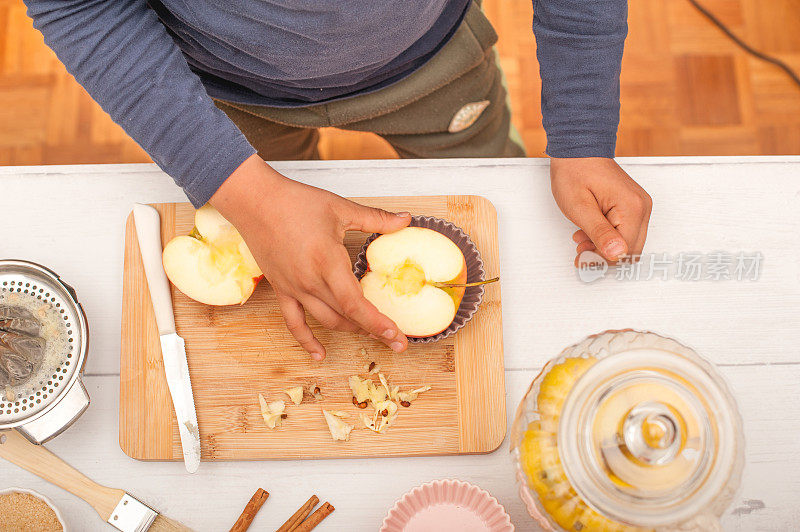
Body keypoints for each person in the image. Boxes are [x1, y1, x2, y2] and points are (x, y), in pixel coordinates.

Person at [25, 0, 652, 360]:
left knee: (483, 157)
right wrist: (246, 194)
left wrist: (583, 135)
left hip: (439, 66)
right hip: (228, 102)